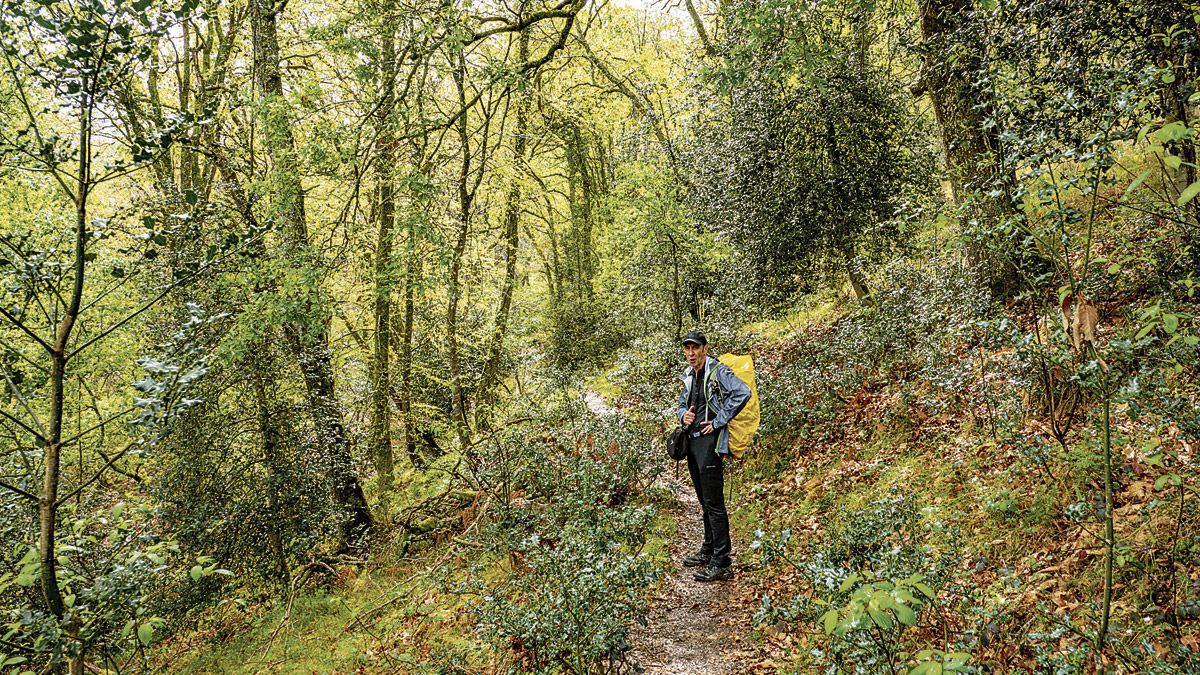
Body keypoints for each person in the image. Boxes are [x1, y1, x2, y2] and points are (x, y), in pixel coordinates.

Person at [676, 330, 751, 582]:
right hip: (692, 443)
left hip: (709, 443)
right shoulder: (689, 375)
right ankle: (708, 549)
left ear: (705, 349)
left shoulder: (717, 371)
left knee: (715, 504)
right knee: (704, 501)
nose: (691, 353)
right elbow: (681, 404)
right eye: (687, 348)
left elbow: (742, 393)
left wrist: (719, 420)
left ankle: (722, 561)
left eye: (695, 348)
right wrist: (683, 415)